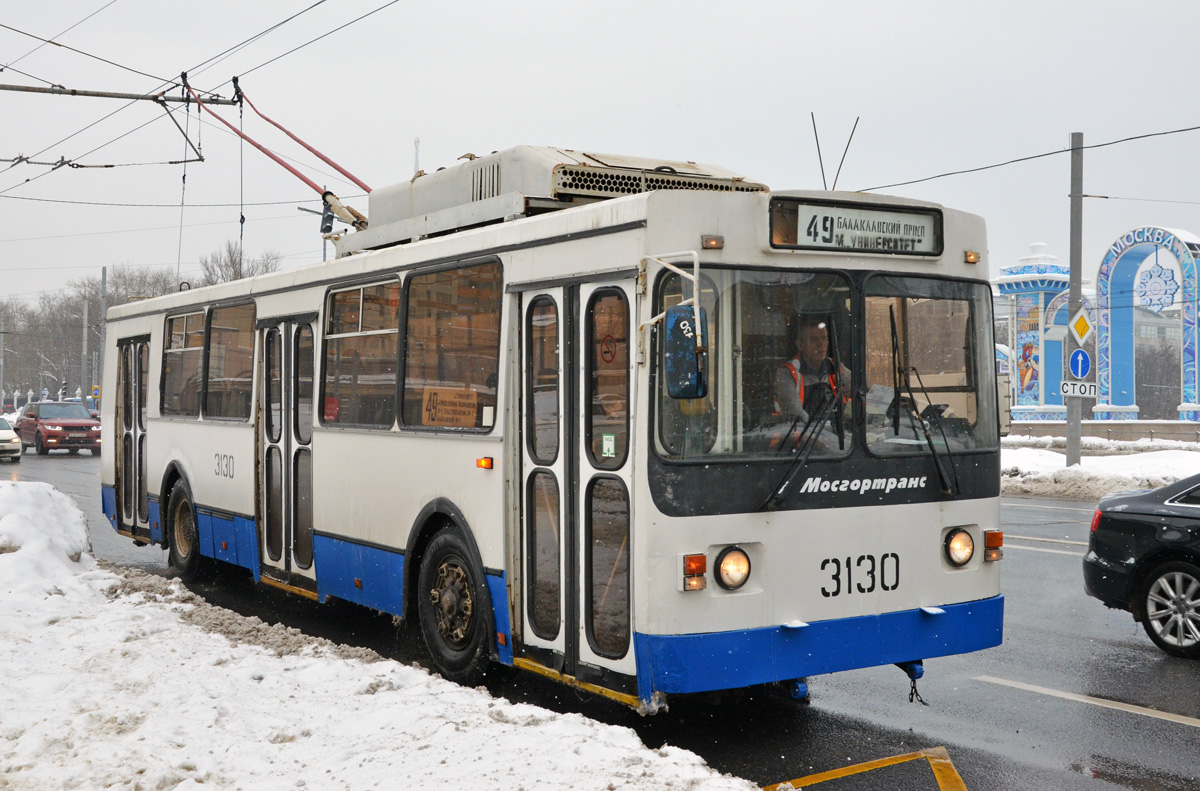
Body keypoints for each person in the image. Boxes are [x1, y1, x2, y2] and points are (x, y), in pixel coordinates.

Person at [773, 314, 850, 421]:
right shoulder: (787, 373)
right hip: (802, 435)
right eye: (814, 340)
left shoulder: (836, 368)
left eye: (824, 338)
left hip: (836, 434)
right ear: (800, 345)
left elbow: (858, 394)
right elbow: (794, 411)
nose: (821, 344)